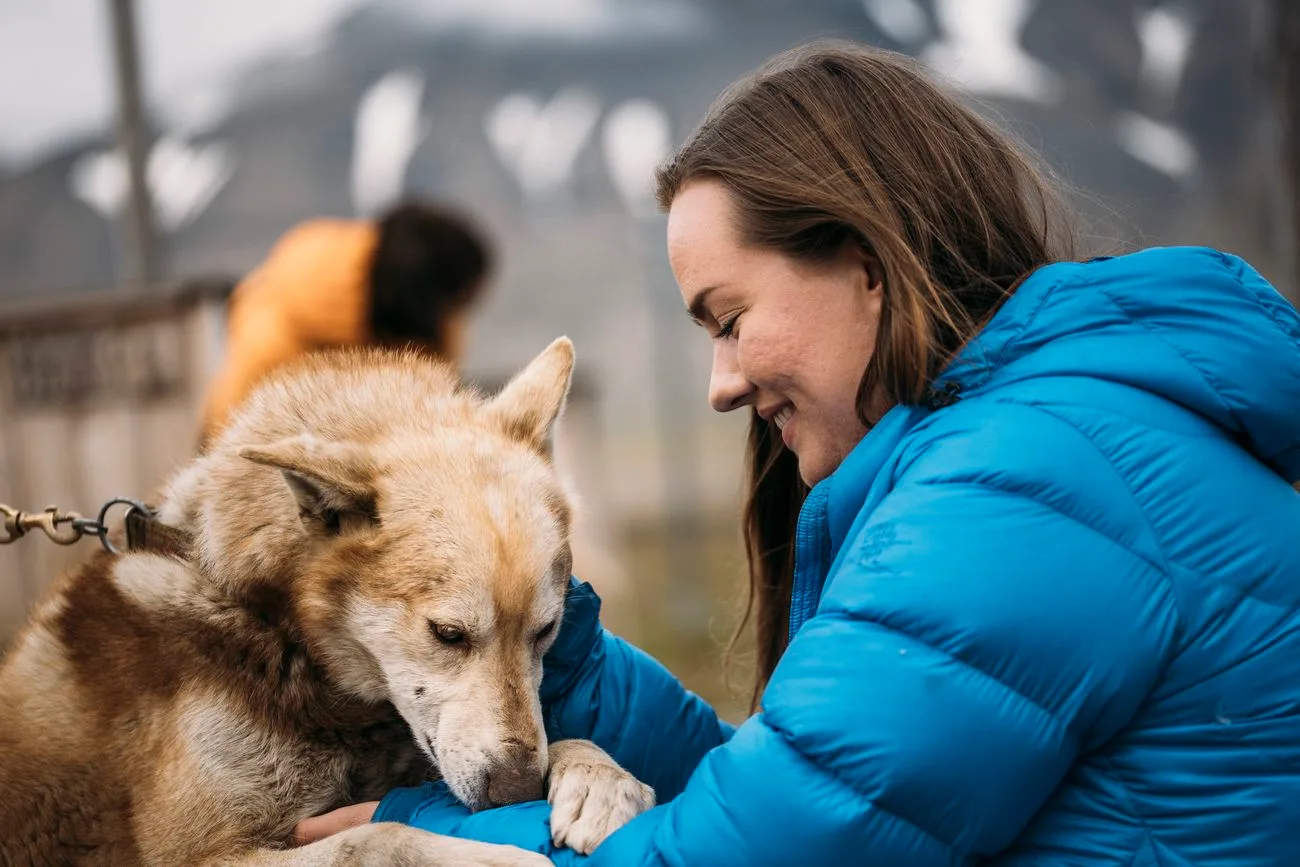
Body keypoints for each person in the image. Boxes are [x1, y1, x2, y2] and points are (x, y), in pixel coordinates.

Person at [294, 42, 1300, 864]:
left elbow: (751, 855)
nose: (720, 384)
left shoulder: (1023, 489)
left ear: (864, 267)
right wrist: (563, 658)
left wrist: (417, 837)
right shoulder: (1045, 441)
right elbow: (806, 788)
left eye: (729, 320)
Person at [197, 199, 492, 446]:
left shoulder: (422, 319)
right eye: (458, 301)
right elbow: (227, 448)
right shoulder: (274, 343)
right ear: (425, 302)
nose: (459, 321)